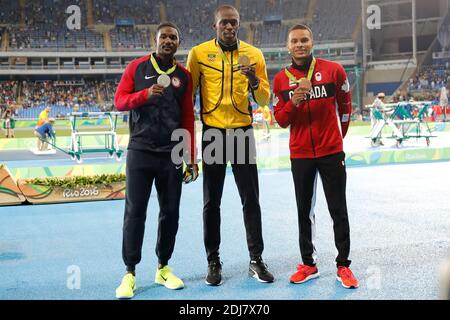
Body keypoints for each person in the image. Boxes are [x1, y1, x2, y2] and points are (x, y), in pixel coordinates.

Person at [187, 4, 274, 286]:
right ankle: (213, 260)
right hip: (213, 134)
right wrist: (183, 145)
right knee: (212, 202)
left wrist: (252, 79)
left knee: (251, 199)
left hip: (241, 133)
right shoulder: (198, 54)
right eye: (224, 22)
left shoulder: (254, 54)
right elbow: (188, 99)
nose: (229, 27)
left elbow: (263, 100)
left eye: (233, 23)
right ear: (215, 26)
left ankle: (256, 260)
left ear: (239, 25)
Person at [113, 22, 198, 299]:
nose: (168, 41)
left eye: (174, 37)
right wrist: (145, 95)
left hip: (172, 153)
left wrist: (191, 158)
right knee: (135, 211)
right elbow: (119, 101)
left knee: (170, 212)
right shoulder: (137, 68)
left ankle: (163, 267)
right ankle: (129, 272)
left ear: (178, 43)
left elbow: (187, 118)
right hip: (141, 149)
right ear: (156, 39)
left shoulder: (183, 76)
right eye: (164, 37)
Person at [273, 24, 358, 289]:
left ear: (312, 42)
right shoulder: (280, 80)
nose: (300, 45)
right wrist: (293, 101)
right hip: (300, 154)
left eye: (304, 40)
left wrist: (336, 139)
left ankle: (343, 265)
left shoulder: (333, 70)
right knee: (304, 211)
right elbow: (281, 120)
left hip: (331, 151)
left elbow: (345, 108)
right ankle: (308, 264)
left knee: (337, 209)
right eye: (295, 41)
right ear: (288, 46)